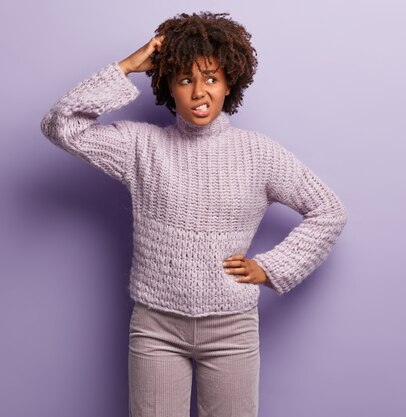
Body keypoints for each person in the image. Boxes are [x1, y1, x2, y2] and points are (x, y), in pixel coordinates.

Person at [40, 11, 348, 417]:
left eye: (211, 78)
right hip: (155, 329)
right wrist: (128, 66)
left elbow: (328, 211)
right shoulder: (140, 146)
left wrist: (272, 268)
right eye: (185, 79)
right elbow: (61, 126)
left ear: (228, 83)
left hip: (232, 330)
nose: (199, 92)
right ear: (169, 86)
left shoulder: (259, 154)